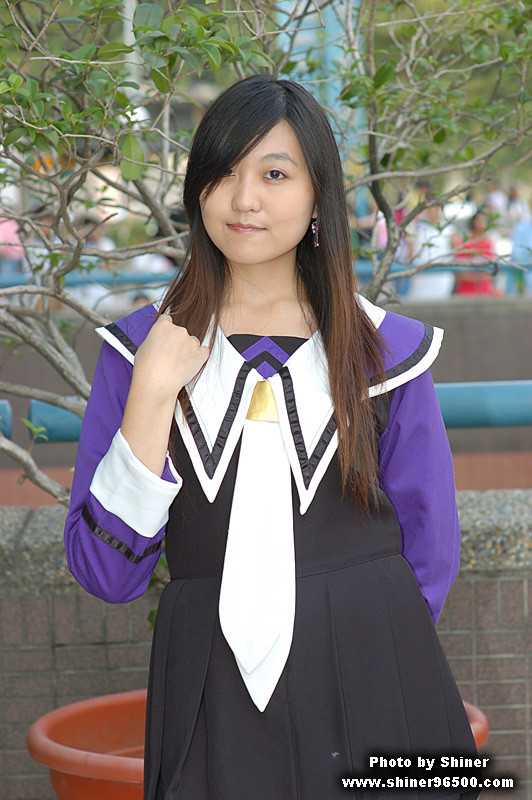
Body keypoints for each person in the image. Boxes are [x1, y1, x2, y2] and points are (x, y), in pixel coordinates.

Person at [64, 74, 479, 799]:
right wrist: (153, 394)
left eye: (275, 174)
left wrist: (385, 667)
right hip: (208, 684)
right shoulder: (139, 351)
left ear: (319, 197)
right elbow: (108, 574)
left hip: (378, 668)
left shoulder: (388, 353)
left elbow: (431, 550)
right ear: (196, 189)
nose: (244, 199)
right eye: (224, 172)